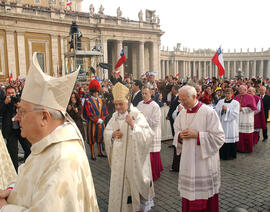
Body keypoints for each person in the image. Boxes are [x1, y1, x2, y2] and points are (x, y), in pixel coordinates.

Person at [0, 52, 99, 211]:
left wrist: (4, 207)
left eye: (22, 112)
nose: (16, 118)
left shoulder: (62, 159)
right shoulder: (47, 144)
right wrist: (11, 190)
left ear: (44, 117)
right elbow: (32, 179)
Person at [104, 82, 154, 212]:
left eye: (121, 104)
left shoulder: (137, 115)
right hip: (118, 163)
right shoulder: (114, 117)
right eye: (116, 104)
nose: (118, 107)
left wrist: (133, 126)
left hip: (133, 162)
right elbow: (107, 132)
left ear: (127, 102)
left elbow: (148, 136)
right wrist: (112, 135)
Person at [173, 85, 225, 212]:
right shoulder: (182, 113)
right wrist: (180, 136)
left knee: (204, 197)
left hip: (204, 163)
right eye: (180, 100)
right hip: (188, 161)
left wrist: (197, 135)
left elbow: (219, 137)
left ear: (195, 97)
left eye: (185, 99)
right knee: (189, 196)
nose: (182, 103)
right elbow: (177, 131)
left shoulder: (208, 112)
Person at [0, 85, 31, 171]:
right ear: (5, 94)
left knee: (29, 149)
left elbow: (27, 111)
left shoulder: (20, 100)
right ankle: (15, 173)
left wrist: (19, 106)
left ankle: (26, 169)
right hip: (10, 131)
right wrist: (5, 103)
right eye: (9, 93)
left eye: (12, 93)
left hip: (21, 129)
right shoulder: (3, 101)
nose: (11, 95)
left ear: (15, 92)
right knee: (13, 153)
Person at [137, 86, 163, 181]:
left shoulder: (155, 106)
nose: (143, 95)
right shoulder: (139, 104)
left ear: (150, 94)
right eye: (142, 94)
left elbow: (155, 122)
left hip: (152, 132)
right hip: (142, 132)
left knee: (152, 153)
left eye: (145, 93)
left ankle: (153, 173)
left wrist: (144, 118)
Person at [83, 79, 108, 160]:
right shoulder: (88, 101)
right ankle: (92, 153)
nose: (96, 93)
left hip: (101, 122)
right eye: (94, 92)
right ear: (92, 92)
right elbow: (88, 113)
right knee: (91, 137)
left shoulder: (101, 100)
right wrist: (96, 120)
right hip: (92, 123)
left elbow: (104, 111)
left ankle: (100, 151)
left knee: (100, 137)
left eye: (97, 92)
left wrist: (102, 119)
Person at [215, 88, 240, 160]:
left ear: (232, 94)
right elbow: (216, 111)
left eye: (229, 93)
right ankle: (222, 154)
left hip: (231, 124)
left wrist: (227, 110)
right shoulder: (220, 102)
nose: (227, 95)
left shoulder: (236, 103)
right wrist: (222, 110)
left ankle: (230, 155)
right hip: (223, 123)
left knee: (230, 138)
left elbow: (236, 114)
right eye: (226, 93)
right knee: (223, 138)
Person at [235, 85, 257, 153]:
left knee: (246, 134)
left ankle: (247, 149)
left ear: (245, 90)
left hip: (247, 117)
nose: (240, 91)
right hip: (239, 117)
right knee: (239, 133)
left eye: (241, 89)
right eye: (239, 89)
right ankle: (239, 148)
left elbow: (253, 108)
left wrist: (242, 109)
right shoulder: (237, 96)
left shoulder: (250, 97)